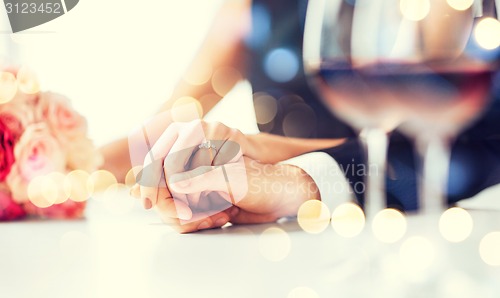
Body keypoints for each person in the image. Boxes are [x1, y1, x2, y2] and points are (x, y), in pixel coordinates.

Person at [102, 0, 500, 233]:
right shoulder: (249, 8)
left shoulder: (436, 12)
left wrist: (286, 173)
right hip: (284, 240)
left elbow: (463, 142)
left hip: (418, 235)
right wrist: (70, 164)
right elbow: (171, 123)